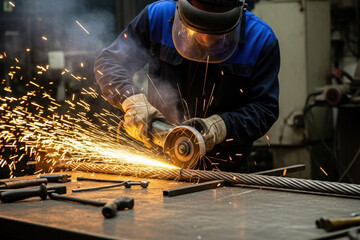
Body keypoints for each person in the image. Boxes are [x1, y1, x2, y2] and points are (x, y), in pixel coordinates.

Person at [94, 0, 280, 172]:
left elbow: (265, 108)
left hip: (224, 172)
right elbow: (110, 63)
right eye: (197, 29)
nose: (206, 40)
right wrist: (132, 100)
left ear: (238, 12)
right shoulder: (157, 18)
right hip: (157, 162)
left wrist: (222, 126)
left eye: (217, 32)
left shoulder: (260, 39)